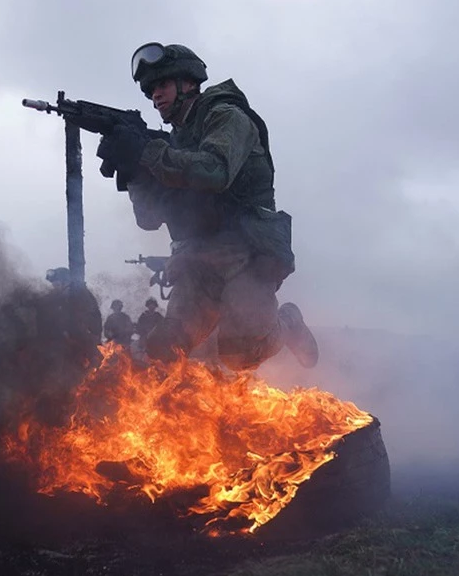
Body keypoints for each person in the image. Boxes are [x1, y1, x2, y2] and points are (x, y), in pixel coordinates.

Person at [95, 42, 319, 371]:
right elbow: (148, 219)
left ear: (188, 83)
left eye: (163, 84)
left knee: (241, 354)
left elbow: (214, 171)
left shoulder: (226, 116)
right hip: (195, 260)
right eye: (151, 89)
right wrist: (133, 173)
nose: (156, 95)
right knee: (165, 346)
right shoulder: (174, 142)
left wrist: (147, 153)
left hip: (246, 255)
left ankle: (288, 324)